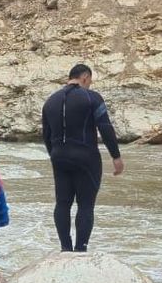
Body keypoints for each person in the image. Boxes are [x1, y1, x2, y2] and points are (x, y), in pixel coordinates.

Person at [41, 64, 124, 252]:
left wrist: (55, 155)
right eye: (90, 81)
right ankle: (81, 249)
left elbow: (46, 135)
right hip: (86, 157)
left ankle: (65, 247)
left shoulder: (50, 101)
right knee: (86, 205)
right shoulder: (91, 97)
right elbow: (105, 127)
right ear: (85, 77)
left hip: (59, 157)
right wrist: (116, 157)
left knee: (62, 203)